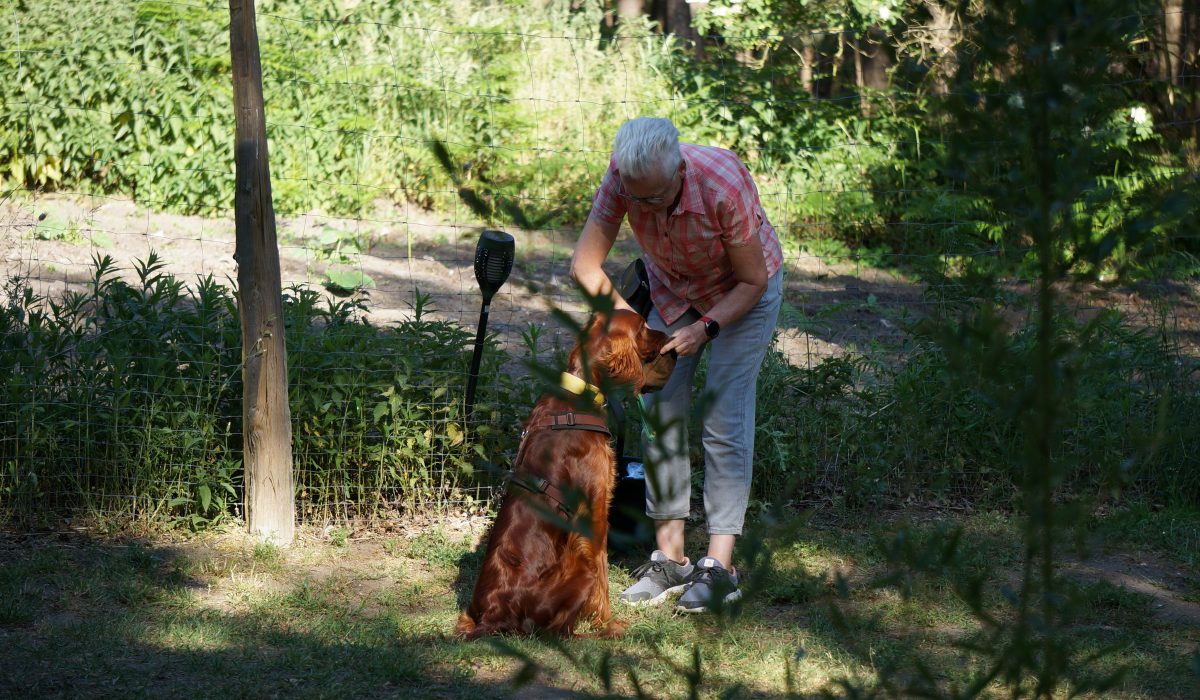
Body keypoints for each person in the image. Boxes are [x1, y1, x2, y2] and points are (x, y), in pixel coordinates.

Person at [569, 116, 783, 612]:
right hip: (673, 289)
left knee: (724, 416)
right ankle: (671, 560)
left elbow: (752, 281)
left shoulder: (721, 184)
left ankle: (720, 567)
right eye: (635, 198)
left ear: (679, 172)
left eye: (655, 198)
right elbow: (584, 265)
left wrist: (704, 328)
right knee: (660, 413)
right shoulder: (623, 176)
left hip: (742, 290)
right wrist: (630, 325)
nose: (642, 208)